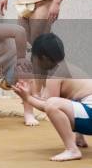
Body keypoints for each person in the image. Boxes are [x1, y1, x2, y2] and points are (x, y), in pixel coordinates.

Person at [13, 33, 92, 161]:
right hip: (88, 111)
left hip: (90, 115)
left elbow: (48, 105)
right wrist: (30, 95)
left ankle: (72, 150)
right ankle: (79, 138)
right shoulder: (69, 67)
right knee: (67, 101)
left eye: (35, 58)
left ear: (43, 58)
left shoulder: (55, 74)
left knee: (53, 105)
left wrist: (27, 97)